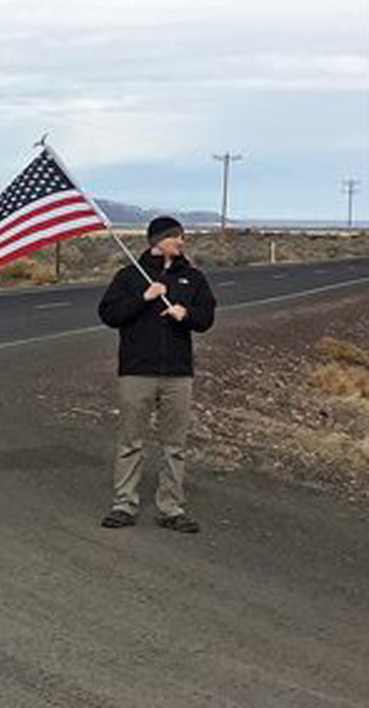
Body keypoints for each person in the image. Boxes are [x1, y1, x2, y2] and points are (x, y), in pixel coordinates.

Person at [98, 216, 216, 533]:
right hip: (137, 371)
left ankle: (171, 508)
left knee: (174, 445)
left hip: (178, 374)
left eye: (182, 236)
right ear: (158, 240)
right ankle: (124, 504)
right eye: (176, 236)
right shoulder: (129, 277)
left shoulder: (193, 277)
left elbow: (206, 317)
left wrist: (186, 314)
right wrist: (144, 299)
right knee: (131, 441)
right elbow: (109, 314)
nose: (182, 241)